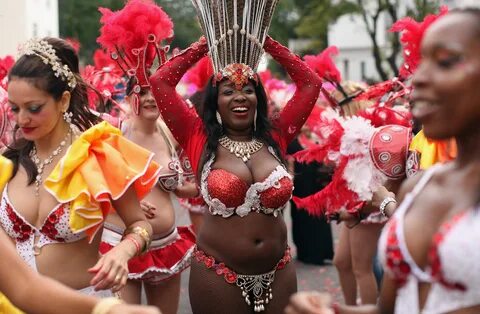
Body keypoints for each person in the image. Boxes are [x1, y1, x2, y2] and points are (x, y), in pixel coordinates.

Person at [285, 7, 480, 314]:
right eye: (422, 63)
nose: (421, 78)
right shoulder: (420, 184)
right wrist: (332, 312)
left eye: (445, 62)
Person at [150, 1, 321, 311]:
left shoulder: (276, 136)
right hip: (219, 274)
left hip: (280, 271)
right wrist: (206, 45)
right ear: (215, 102)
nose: (239, 96)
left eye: (248, 90)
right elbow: (160, 82)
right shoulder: (197, 137)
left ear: (259, 97)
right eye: (228, 90)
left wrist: (265, 42)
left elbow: (311, 84)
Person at [2, 37, 158, 297]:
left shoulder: (97, 155)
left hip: (83, 302)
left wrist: (123, 251)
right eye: (15, 108)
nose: (22, 119)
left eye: (33, 108)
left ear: (63, 101)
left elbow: (141, 225)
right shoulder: (8, 160)